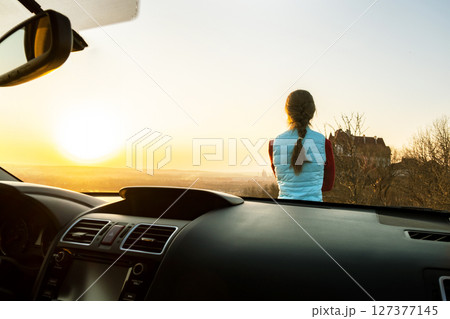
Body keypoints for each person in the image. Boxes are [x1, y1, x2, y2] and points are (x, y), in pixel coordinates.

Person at [268, 90, 335, 201]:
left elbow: (282, 180)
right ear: (312, 111)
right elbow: (327, 185)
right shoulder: (324, 143)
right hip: (315, 211)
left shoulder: (274, 144)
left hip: (285, 210)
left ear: (288, 112)